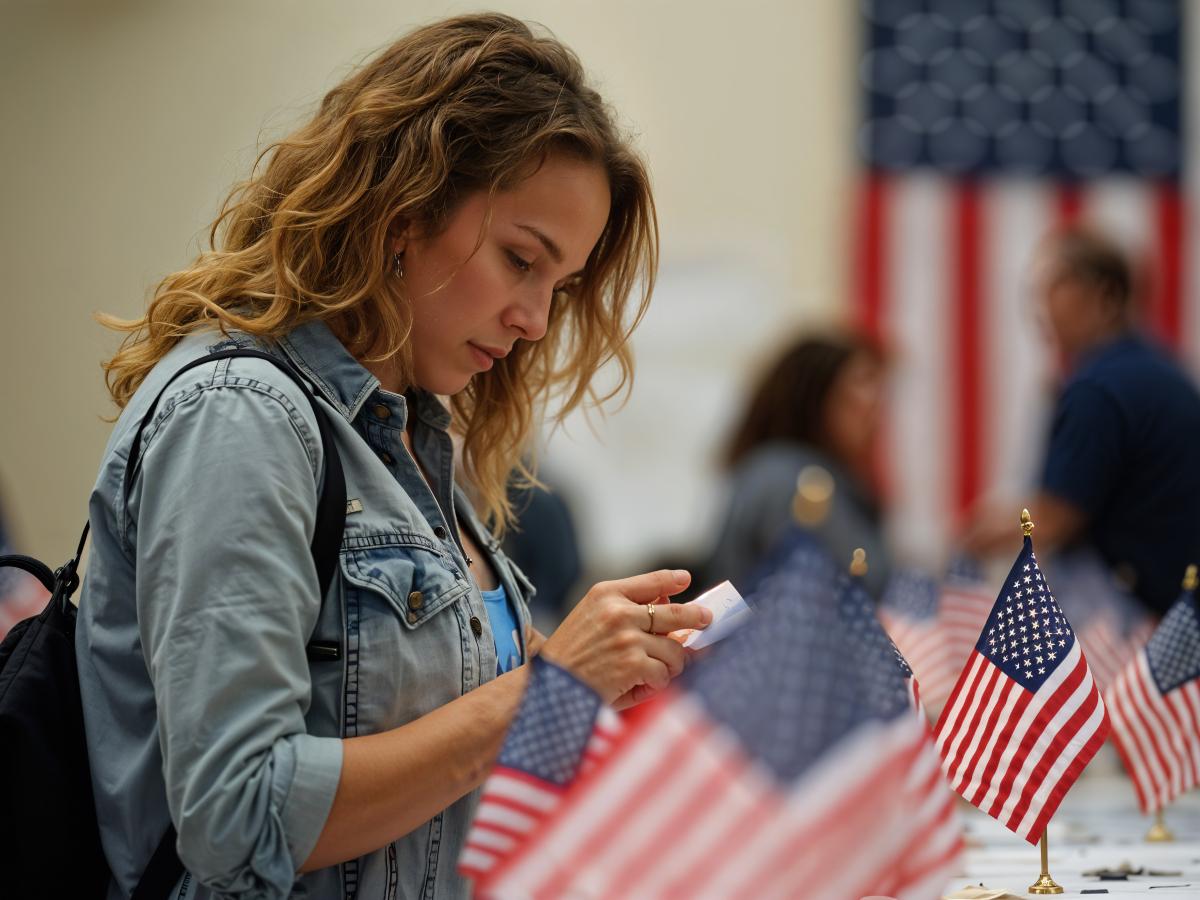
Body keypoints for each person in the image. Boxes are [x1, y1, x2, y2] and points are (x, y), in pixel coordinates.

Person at [76, 15, 711, 899]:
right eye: (519, 259)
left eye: (558, 286)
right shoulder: (242, 418)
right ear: (403, 212)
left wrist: (602, 684)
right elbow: (237, 818)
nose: (535, 317)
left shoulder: (410, 439)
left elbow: (435, 778)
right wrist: (547, 687)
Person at [964, 226, 1200, 617]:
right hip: (1178, 602)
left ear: (1105, 296)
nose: (1042, 307)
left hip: (1137, 612)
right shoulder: (1157, 369)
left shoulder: (1099, 388)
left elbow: (1055, 518)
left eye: (1057, 286)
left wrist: (974, 538)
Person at [705, 332, 891, 597]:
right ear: (814, 391)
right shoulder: (795, 481)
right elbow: (859, 590)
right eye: (864, 381)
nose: (877, 401)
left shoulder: (781, 470)